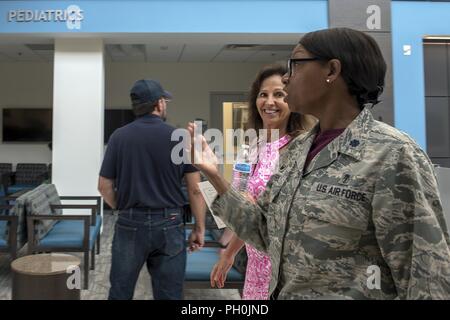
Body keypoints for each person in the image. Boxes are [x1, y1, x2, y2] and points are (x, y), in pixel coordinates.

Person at [188, 28, 450, 299]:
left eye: (296, 64)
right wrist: (214, 175)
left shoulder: (392, 154)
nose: (288, 77)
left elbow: (427, 277)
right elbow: (265, 231)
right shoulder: (297, 151)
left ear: (332, 70)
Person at [209, 64, 316, 299]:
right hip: (255, 269)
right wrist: (229, 254)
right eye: (263, 94)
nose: (269, 102)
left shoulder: (301, 149)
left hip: (286, 272)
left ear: (293, 100)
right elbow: (248, 218)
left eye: (279, 94)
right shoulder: (252, 148)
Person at [99, 79, 206, 300]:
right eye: (165, 100)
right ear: (159, 103)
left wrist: (124, 207)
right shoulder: (180, 138)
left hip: (130, 223)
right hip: (171, 223)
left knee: (120, 291)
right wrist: (199, 227)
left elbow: (104, 186)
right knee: (169, 294)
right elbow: (195, 189)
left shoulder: (118, 137)